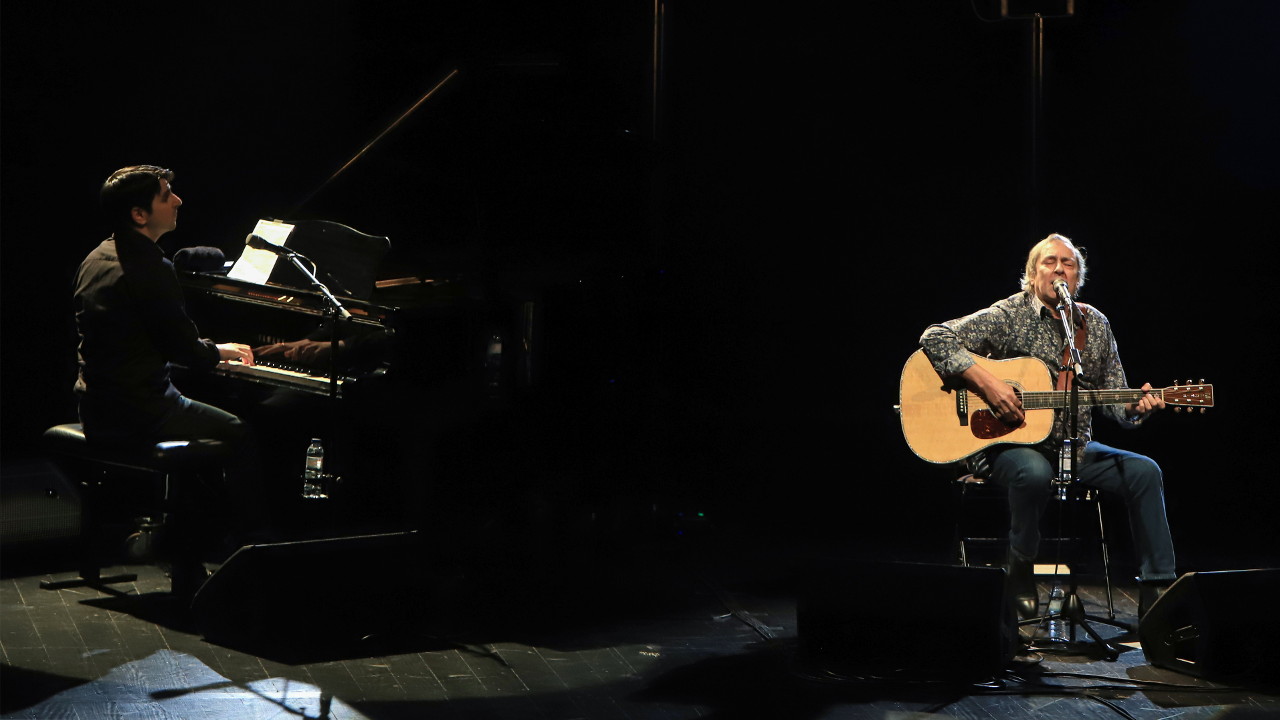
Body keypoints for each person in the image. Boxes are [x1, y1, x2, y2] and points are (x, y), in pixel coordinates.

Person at [919, 232, 1176, 621]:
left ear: (1078, 277)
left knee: (1145, 471)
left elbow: (1117, 402)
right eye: (1049, 262)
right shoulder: (1009, 314)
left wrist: (1139, 407)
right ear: (1032, 273)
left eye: (1068, 264)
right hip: (1005, 447)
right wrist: (989, 384)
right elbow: (935, 337)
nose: (1059, 269)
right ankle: (1021, 567)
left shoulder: (1094, 325)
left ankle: (1158, 591)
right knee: (1035, 471)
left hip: (1074, 449)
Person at [73, 165, 268, 595]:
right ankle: (246, 553)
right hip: (139, 409)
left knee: (203, 440)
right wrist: (221, 351)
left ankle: (184, 544)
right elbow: (184, 350)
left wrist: (207, 350)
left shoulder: (98, 256)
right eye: (166, 195)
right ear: (140, 215)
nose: (177, 201)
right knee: (238, 433)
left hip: (95, 402)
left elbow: (149, 339)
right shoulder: (150, 267)